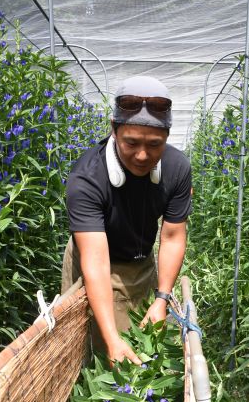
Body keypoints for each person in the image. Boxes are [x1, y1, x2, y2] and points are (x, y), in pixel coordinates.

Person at [61, 75, 192, 365]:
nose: (143, 155)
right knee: (100, 351)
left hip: (141, 261)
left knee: (148, 339)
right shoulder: (87, 178)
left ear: (167, 138)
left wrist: (162, 298)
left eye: (154, 145)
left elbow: (171, 236)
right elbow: (95, 260)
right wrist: (111, 339)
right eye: (131, 143)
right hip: (95, 261)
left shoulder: (177, 168)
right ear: (114, 131)